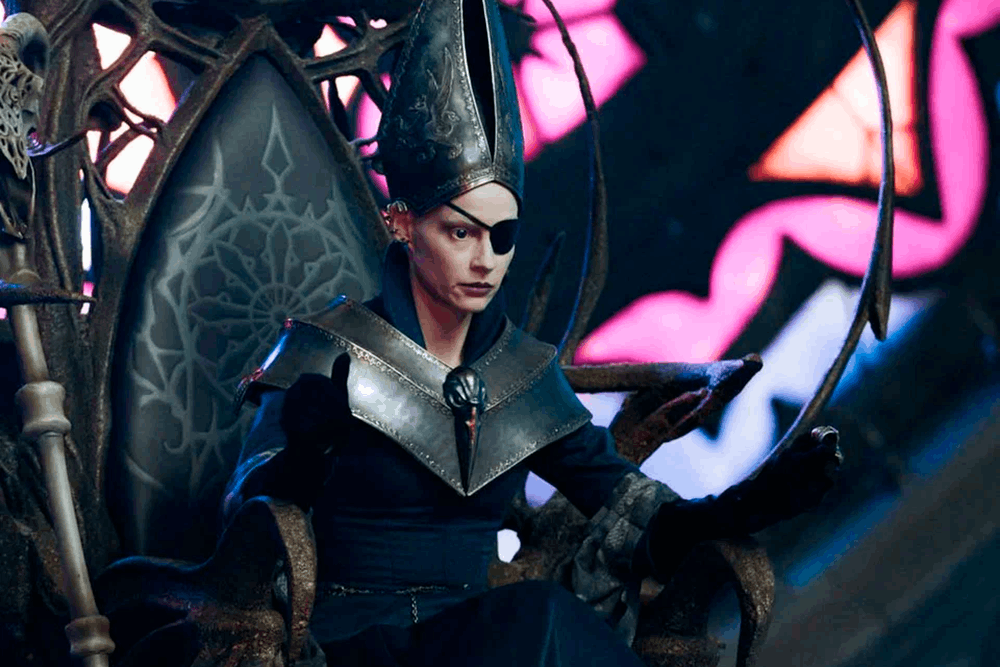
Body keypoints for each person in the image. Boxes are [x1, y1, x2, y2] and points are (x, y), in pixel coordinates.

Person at [223, 0, 842, 664]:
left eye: (502, 234)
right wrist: (305, 456)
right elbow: (244, 530)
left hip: (480, 639)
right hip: (352, 647)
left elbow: (637, 518)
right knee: (541, 617)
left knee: (542, 621)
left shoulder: (517, 371)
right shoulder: (325, 350)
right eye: (460, 232)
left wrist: (745, 506)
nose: (484, 259)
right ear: (404, 225)